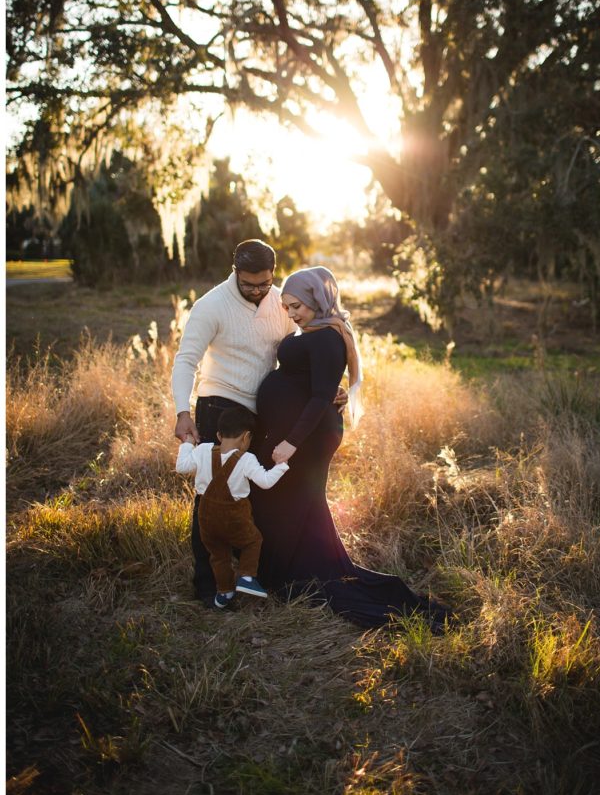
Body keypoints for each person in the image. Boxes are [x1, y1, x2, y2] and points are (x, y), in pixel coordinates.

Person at [250, 265, 450, 632]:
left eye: (297, 306)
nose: (292, 314)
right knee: (296, 505)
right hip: (298, 436)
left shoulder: (327, 336)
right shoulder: (317, 330)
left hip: (306, 440)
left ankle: (297, 574)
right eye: (287, 307)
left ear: (315, 298)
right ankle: (288, 571)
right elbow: (320, 384)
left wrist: (290, 444)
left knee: (289, 501)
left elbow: (321, 395)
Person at [171, 238, 346, 606]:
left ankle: (255, 574)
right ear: (235, 271)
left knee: (255, 496)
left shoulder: (282, 301)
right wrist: (182, 411)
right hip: (221, 406)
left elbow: (303, 354)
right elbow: (186, 360)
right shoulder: (211, 306)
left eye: (264, 283)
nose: (256, 290)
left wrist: (330, 388)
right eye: (249, 284)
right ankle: (208, 584)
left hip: (264, 415)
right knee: (213, 497)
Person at [176, 407, 289, 610]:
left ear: (219, 435)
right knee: (252, 541)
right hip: (233, 518)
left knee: (218, 555)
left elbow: (182, 467)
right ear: (247, 437)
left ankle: (224, 590)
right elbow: (265, 482)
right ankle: (246, 577)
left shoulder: (202, 450)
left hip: (206, 519)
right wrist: (281, 465)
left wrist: (187, 444)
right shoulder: (247, 459)